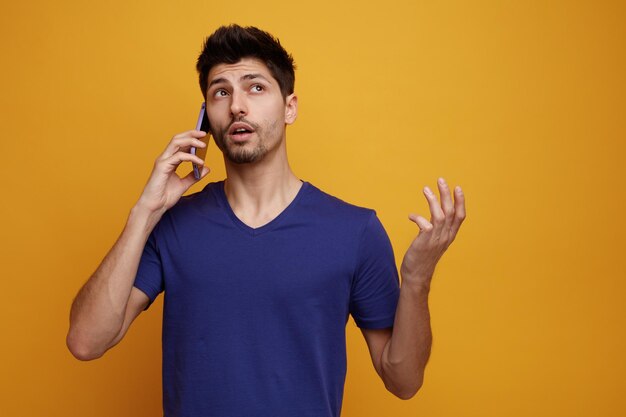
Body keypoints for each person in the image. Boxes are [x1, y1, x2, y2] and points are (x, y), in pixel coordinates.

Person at [66, 24, 466, 417]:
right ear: (207, 117)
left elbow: (404, 381)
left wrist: (416, 280)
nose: (237, 105)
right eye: (221, 92)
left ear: (289, 107)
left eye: (255, 87)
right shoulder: (172, 225)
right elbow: (86, 341)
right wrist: (145, 211)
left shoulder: (355, 231)